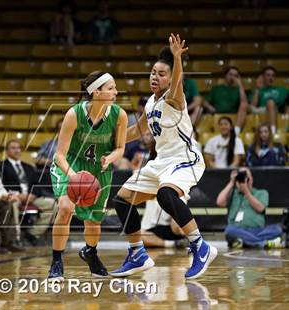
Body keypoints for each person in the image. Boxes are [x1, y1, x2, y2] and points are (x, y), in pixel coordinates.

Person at [110, 34, 217, 280]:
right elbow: (137, 131)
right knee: (122, 200)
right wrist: (110, 140)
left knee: (165, 194)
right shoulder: (150, 102)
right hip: (161, 162)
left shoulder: (174, 98)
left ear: (170, 78)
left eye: (161, 73)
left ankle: (200, 246)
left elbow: (178, 82)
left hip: (185, 159)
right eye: (152, 73)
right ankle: (137, 253)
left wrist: (177, 58)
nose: (154, 77)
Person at [47, 70, 127, 281]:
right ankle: (56, 262)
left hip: (99, 170)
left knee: (93, 222)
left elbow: (120, 149)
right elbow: (59, 156)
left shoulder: (119, 115)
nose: (116, 92)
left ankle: (90, 253)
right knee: (65, 208)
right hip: (71, 166)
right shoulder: (74, 115)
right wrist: (74, 176)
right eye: (111, 88)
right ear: (96, 92)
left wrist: (110, 159)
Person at [0, 140, 56, 248]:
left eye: (18, 148)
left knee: (52, 204)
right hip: (14, 197)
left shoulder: (29, 167)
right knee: (13, 205)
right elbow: (1, 184)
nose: (17, 150)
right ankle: (15, 238)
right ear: (7, 151)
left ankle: (32, 234)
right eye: (13, 148)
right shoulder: (1, 166)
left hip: (31, 197)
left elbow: (37, 184)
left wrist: (33, 195)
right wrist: (18, 195)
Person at [216, 168, 283, 248]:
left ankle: (245, 242)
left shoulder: (261, 193)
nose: (242, 179)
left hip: (257, 230)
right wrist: (231, 182)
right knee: (229, 230)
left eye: (245, 176)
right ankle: (262, 243)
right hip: (238, 229)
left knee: (277, 229)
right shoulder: (233, 193)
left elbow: (260, 208)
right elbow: (219, 202)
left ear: (251, 179)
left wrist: (246, 192)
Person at [203, 66, 248, 135]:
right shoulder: (217, 88)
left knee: (244, 105)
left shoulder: (237, 90)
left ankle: (236, 131)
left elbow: (244, 102)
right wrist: (210, 107)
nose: (232, 77)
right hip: (217, 115)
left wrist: (240, 85)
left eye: (235, 75)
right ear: (225, 75)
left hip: (234, 117)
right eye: (230, 74)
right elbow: (204, 102)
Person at [249, 65, 288, 134]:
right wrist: (257, 89)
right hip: (260, 110)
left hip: (273, 110)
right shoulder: (257, 91)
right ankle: (272, 132)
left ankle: (272, 132)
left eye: (273, 76)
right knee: (270, 102)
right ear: (263, 77)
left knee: (271, 103)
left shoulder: (281, 90)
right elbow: (253, 107)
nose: (271, 78)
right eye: (268, 75)